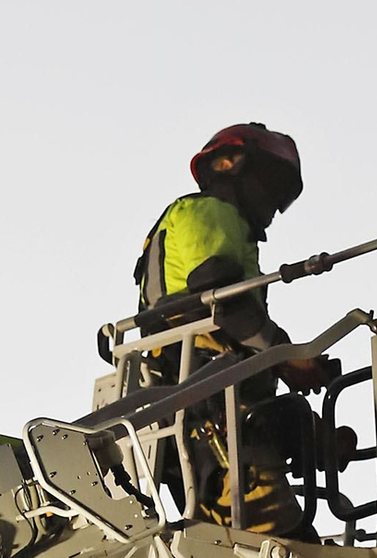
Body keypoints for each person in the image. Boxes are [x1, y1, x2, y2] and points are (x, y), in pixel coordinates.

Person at [136, 123, 334, 534]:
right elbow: (223, 301)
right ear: (228, 165)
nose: (275, 204)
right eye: (272, 183)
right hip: (218, 422)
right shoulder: (210, 211)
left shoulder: (192, 223)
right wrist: (288, 357)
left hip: (204, 419)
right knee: (289, 549)